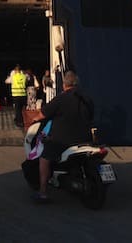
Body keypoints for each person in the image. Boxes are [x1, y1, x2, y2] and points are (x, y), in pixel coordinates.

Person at [34, 70, 94, 203]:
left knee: (44, 158)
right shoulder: (86, 98)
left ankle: (43, 191)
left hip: (62, 141)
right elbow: (91, 116)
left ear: (64, 84)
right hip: (86, 139)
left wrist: (34, 119)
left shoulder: (60, 99)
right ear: (77, 84)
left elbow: (42, 115)